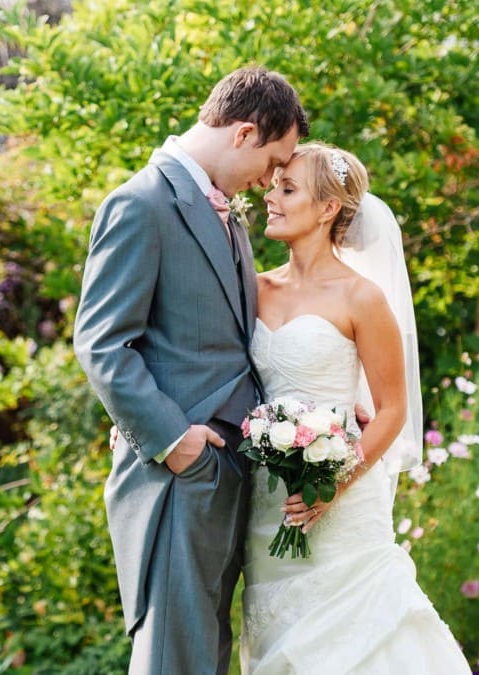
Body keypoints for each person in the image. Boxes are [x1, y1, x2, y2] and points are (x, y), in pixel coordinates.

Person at [73, 67, 308, 674]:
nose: (270, 180)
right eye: (272, 161)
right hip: (178, 476)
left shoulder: (227, 211)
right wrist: (175, 442)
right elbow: (101, 343)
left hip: (227, 468)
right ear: (245, 133)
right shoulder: (141, 202)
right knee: (175, 659)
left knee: (205, 654)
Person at [240, 141, 471, 673]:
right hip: (266, 503)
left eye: (287, 188)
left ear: (328, 209)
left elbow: (392, 410)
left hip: (341, 505)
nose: (270, 197)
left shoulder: (361, 298)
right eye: (274, 185)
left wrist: (331, 485)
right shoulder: (252, 288)